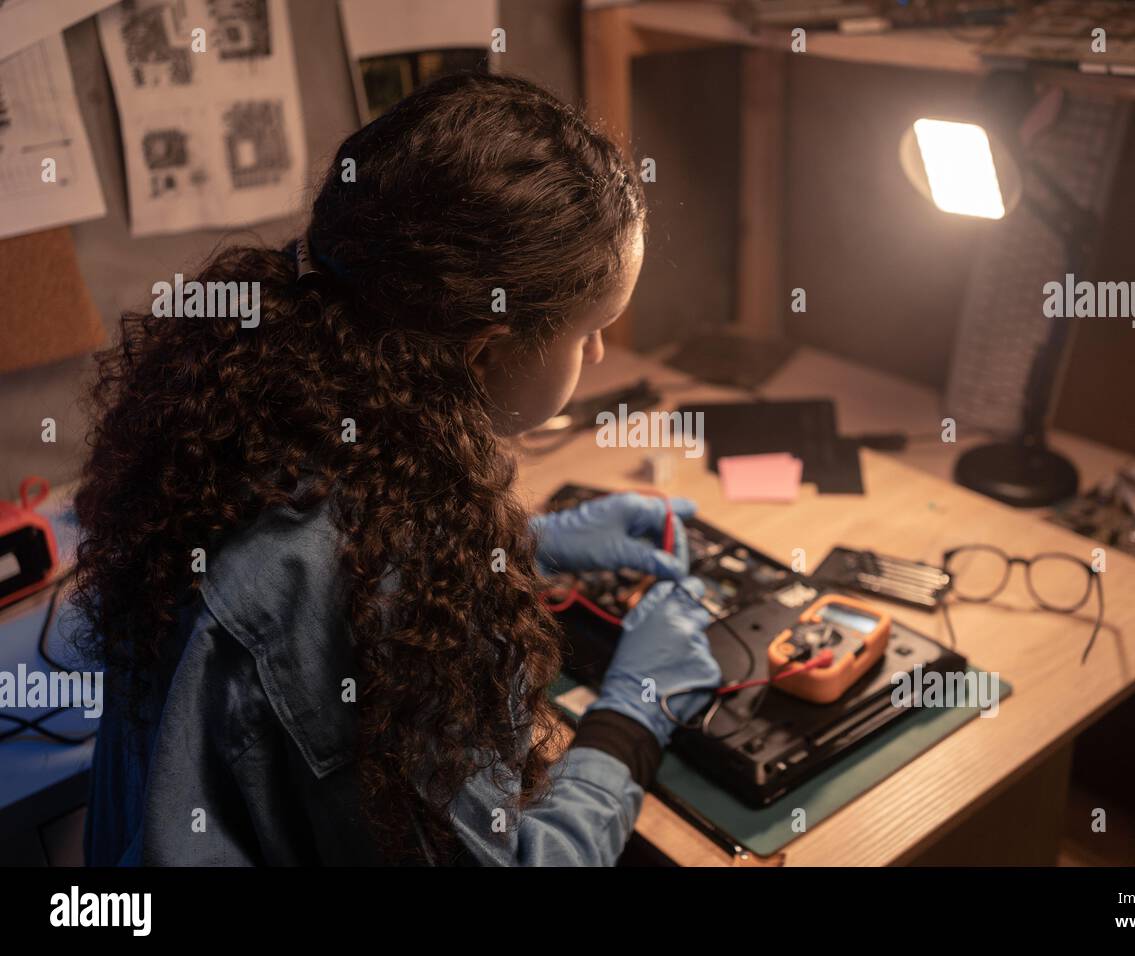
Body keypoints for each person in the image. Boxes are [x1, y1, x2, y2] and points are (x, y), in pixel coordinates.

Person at [73, 71, 722, 866]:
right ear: (488, 352)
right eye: (594, 330)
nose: (599, 356)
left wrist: (529, 543)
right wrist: (632, 716)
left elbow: (297, 570)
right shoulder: (386, 596)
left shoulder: (251, 400)